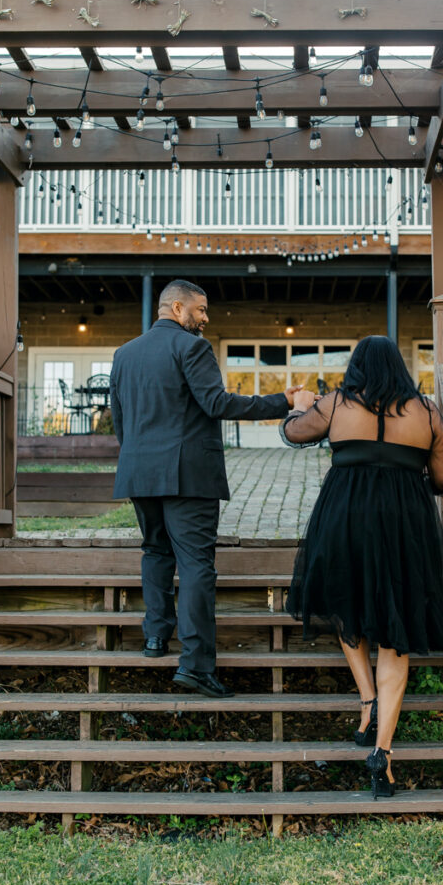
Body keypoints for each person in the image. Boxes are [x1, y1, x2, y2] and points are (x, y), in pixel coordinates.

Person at [281, 335, 443, 799]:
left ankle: (367, 702)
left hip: (345, 519)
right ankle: (382, 753)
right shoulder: (425, 411)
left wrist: (300, 405)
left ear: (356, 366)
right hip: (404, 527)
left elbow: (294, 433)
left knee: (345, 604)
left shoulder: (337, 403)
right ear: (399, 368)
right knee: (395, 634)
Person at [110, 279, 301, 698]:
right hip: (187, 477)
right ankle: (195, 665)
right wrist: (281, 402)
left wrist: (138, 459)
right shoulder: (192, 348)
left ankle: (156, 638)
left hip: (140, 473)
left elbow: (119, 419)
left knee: (156, 551)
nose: (205, 318)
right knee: (196, 565)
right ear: (177, 308)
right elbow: (217, 403)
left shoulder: (124, 354)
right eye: (200, 310)